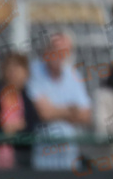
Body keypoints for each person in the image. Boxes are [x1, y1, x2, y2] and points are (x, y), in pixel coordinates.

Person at [27, 31, 92, 170]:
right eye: (56, 50)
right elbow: (44, 113)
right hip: (43, 150)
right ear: (46, 51)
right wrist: (71, 110)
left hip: (70, 153)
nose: (60, 56)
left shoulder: (73, 73)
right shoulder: (34, 70)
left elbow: (86, 115)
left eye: (65, 51)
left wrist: (56, 110)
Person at [0, 51, 40, 169]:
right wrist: (3, 129)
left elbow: (31, 127)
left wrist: (17, 129)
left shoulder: (27, 98)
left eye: (17, 68)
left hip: (20, 162)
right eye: (10, 68)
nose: (13, 72)